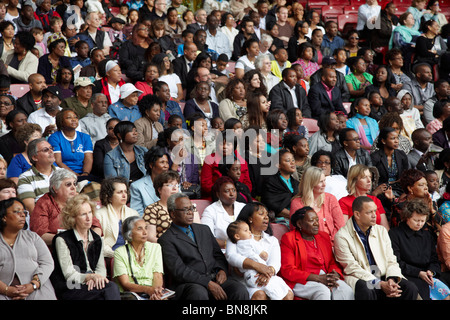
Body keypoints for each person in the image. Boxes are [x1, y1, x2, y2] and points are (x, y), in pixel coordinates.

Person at [158, 192, 249, 300]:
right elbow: (179, 271)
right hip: (189, 284)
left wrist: (222, 270)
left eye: (191, 208)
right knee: (199, 293)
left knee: (238, 289)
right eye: (185, 210)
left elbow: (218, 255)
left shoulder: (204, 229)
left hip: (214, 278)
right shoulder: (166, 239)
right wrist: (207, 283)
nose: (190, 213)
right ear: (173, 214)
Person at [334, 196, 420, 300]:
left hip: (384, 275)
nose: (374, 215)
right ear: (357, 214)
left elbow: (391, 259)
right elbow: (351, 267)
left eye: (375, 211)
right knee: (367, 289)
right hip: (361, 277)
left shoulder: (381, 231)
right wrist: (379, 283)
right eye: (369, 212)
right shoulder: (342, 236)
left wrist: (391, 279)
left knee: (410, 288)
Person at [50, 194, 121, 300]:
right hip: (71, 286)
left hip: (93, 284)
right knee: (105, 293)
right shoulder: (62, 239)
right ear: (73, 218)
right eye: (83, 214)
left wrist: (96, 278)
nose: (88, 218)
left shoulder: (97, 239)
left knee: (111, 287)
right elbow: (69, 274)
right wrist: (88, 277)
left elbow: (100, 269)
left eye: (90, 212)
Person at [279, 206, 354, 300]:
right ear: (299, 224)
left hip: (325, 276)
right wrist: (318, 278)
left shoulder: (323, 236)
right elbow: (287, 270)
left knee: (345, 289)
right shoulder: (289, 238)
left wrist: (334, 274)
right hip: (301, 279)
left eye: (317, 220)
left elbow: (331, 262)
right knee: (322, 291)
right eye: (311, 220)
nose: (316, 224)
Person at [389, 198, 450, 300]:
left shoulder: (426, 235)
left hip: (428, 275)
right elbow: (396, 261)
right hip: (408, 275)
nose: (419, 224)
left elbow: (434, 259)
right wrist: (418, 273)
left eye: (422, 221)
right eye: (416, 220)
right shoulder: (395, 234)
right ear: (407, 217)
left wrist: (431, 271)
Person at [0, 197, 57, 300]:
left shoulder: (33, 237)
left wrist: (34, 284)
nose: (23, 215)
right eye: (17, 212)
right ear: (4, 217)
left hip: (38, 291)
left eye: (24, 212)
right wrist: (7, 290)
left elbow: (47, 263)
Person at [226, 219, 294, 300]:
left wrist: (267, 273)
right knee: (261, 295)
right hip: (248, 278)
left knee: (288, 294)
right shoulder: (236, 239)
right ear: (250, 218)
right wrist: (257, 266)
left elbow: (275, 263)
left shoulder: (272, 239)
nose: (266, 217)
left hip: (268, 274)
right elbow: (231, 257)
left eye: (266, 214)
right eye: (261, 214)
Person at [30, 169, 95, 247]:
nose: (73, 188)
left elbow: (97, 227)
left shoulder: (79, 200)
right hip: (53, 251)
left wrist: (89, 241)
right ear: (55, 188)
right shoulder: (44, 203)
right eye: (68, 184)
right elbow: (40, 235)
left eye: (74, 184)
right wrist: (69, 240)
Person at [113, 216, 166, 299]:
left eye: (146, 228)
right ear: (129, 234)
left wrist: (155, 293)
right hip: (131, 295)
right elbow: (125, 284)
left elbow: (158, 276)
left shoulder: (156, 248)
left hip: (151, 293)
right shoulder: (120, 252)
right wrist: (148, 290)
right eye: (139, 229)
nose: (145, 232)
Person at [290, 166, 345, 243]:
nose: (324, 184)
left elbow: (340, 226)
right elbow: (296, 230)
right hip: (309, 245)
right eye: (320, 182)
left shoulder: (330, 198)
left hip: (333, 243)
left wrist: (331, 242)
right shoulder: (297, 203)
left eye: (324, 180)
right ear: (310, 183)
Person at [143, 170, 198, 243]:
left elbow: (199, 230)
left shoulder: (189, 206)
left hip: (190, 245)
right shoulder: (152, 209)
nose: (175, 188)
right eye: (170, 185)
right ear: (159, 189)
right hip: (165, 248)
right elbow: (150, 237)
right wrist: (170, 246)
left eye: (177, 185)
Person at [95, 177, 139, 259]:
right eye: (119, 192)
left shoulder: (133, 213)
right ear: (109, 196)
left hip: (131, 254)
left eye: (125, 192)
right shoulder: (99, 215)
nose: (124, 195)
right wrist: (116, 254)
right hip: (110, 256)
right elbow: (99, 243)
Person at [201, 130, 252, 199]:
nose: (224, 147)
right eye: (221, 144)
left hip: (239, 196)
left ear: (234, 146)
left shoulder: (241, 161)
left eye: (228, 144)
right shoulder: (210, 160)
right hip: (216, 197)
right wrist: (224, 192)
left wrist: (235, 193)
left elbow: (248, 184)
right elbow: (205, 185)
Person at [339, 164, 391, 230]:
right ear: (354, 180)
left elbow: (385, 229)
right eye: (364, 177)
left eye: (370, 177)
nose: (369, 181)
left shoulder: (375, 200)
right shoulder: (343, 202)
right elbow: (343, 229)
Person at [17, 138, 61, 212]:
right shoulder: (25, 178)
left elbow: (75, 198)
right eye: (45, 150)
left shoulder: (62, 172)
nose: (51, 151)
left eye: (51, 148)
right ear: (34, 157)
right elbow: (31, 209)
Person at [47, 109, 94, 180]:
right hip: (62, 175)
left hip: (83, 174)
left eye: (75, 117)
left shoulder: (85, 137)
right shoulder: (54, 138)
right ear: (61, 122)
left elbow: (88, 159)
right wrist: (75, 175)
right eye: (69, 118)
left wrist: (85, 174)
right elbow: (58, 161)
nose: (73, 120)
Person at [129, 146, 169, 217]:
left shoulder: (173, 184)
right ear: (151, 165)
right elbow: (137, 215)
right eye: (162, 162)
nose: (166, 166)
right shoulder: (137, 186)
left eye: (167, 162)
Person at [370, 127, 410, 197]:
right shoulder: (375, 157)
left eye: (397, 138)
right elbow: (372, 178)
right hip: (382, 190)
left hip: (399, 188)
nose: (396, 141)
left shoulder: (401, 154)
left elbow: (406, 174)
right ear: (383, 141)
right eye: (392, 138)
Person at [261, 149, 299, 223]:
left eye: (293, 160)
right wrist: (294, 216)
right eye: (288, 161)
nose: (292, 163)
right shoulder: (270, 182)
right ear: (278, 165)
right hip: (279, 220)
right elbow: (273, 205)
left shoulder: (296, 183)